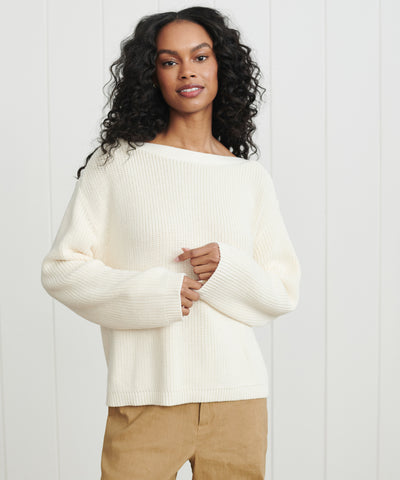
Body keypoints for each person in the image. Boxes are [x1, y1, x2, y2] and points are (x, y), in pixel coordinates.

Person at [40, 6, 301, 480]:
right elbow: (62, 270)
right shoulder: (117, 164)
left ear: (221, 66)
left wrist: (225, 270)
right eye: (168, 61)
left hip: (238, 402)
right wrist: (157, 293)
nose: (187, 72)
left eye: (200, 57)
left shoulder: (249, 178)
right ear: (152, 74)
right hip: (146, 398)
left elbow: (282, 292)